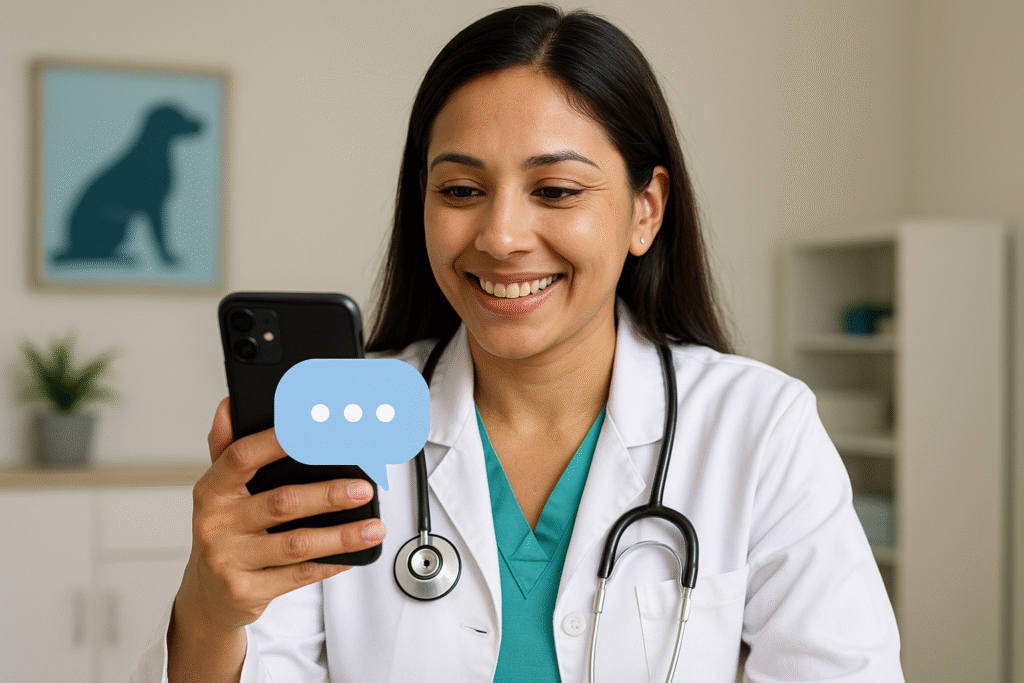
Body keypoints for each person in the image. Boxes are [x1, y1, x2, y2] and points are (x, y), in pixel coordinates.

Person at [134, 5, 904, 682]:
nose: (500, 236)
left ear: (645, 209)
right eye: (461, 190)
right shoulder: (340, 425)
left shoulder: (758, 426)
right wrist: (209, 611)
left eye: (556, 190)